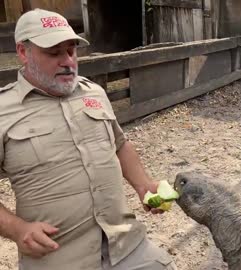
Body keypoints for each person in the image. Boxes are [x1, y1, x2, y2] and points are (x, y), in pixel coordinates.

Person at [0, 8, 176, 270]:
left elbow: (120, 144)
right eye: (54, 52)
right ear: (23, 53)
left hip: (126, 245)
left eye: (71, 50)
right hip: (59, 258)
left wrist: (143, 185)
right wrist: (17, 229)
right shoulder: (3, 110)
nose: (67, 61)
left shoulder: (93, 92)